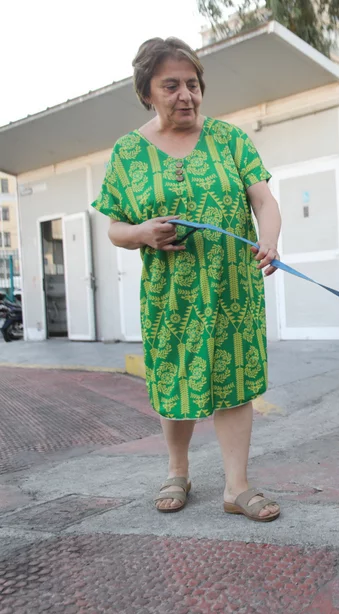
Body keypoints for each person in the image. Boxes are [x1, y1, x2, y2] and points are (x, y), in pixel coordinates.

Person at [92, 37, 282, 521]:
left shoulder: (230, 139)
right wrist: (140, 233)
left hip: (232, 289)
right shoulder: (128, 154)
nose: (186, 95)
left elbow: (263, 200)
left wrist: (270, 240)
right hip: (170, 294)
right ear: (147, 93)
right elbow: (113, 227)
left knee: (234, 379)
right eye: (171, 85)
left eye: (192, 85)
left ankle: (236, 487)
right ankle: (177, 471)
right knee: (174, 379)